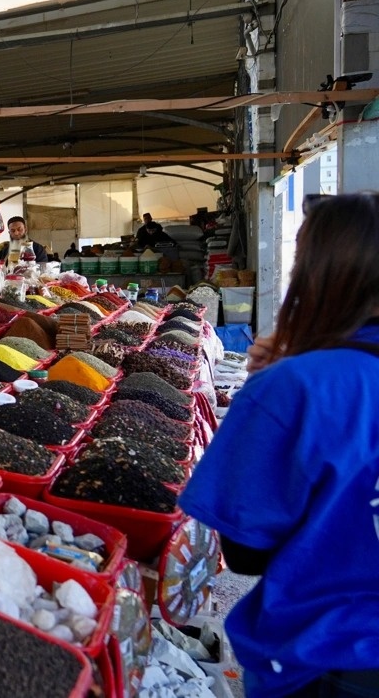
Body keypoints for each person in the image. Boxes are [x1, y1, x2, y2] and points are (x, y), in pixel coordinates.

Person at [179, 192, 379, 698]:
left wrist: (277, 389)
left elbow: (246, 551)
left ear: (320, 273)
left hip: (331, 661)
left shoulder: (294, 390)